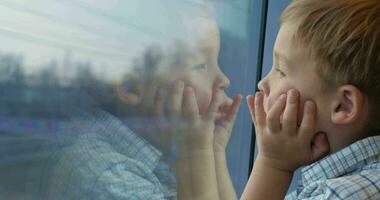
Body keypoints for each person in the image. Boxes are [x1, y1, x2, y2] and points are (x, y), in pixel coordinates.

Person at [41, 1, 242, 199]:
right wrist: (195, 151)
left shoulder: (152, 153)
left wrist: (214, 152)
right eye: (200, 65)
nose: (224, 80)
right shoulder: (111, 178)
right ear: (130, 86)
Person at [241, 0, 380, 199]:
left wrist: (273, 164)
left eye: (280, 70)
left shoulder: (336, 195)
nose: (262, 83)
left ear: (343, 106)